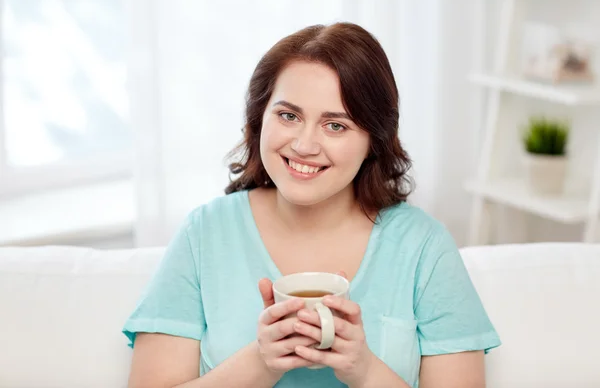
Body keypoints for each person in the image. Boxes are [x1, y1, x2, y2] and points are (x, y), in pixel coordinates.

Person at [122, 22, 501, 388]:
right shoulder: (204, 234)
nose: (304, 145)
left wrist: (365, 371)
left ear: (375, 139)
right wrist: (260, 362)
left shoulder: (423, 247)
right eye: (288, 115)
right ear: (259, 120)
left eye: (335, 125)